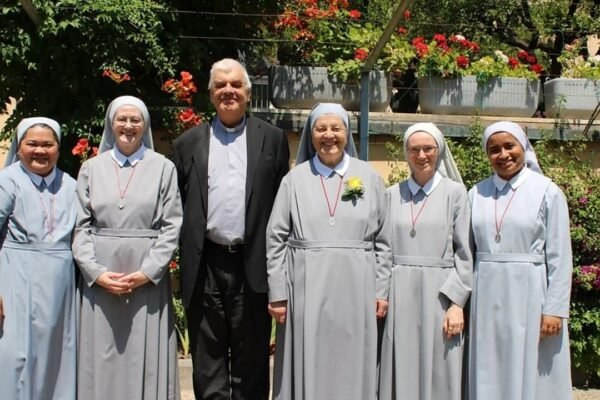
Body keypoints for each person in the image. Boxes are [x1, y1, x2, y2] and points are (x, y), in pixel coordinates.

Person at [172, 58, 290, 400]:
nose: (228, 91)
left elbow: (282, 203)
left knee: (251, 359)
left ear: (248, 94)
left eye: (236, 85)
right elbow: (177, 204)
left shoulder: (272, 139)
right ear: (210, 94)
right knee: (207, 360)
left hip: (252, 263)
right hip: (205, 261)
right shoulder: (187, 143)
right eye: (221, 86)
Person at [267, 103, 392, 400]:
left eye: (336, 128)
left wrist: (381, 290)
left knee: (351, 358)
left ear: (346, 133)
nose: (328, 136)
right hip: (305, 287)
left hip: (357, 287)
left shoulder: (369, 177)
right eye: (320, 129)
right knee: (309, 354)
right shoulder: (293, 180)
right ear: (311, 136)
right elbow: (276, 239)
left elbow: (384, 241)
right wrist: (278, 293)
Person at [73, 95, 183, 400]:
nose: (128, 126)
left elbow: (172, 225)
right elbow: (79, 227)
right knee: (101, 356)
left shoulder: (163, 168)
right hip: (100, 279)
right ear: (111, 123)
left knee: (143, 358)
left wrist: (148, 272)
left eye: (136, 120)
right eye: (122, 119)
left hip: (145, 278)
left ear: (144, 125)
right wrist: (95, 272)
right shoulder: (90, 168)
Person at [468, 121, 572, 400]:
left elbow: (560, 256)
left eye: (509, 146)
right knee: (490, 365)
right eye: (494, 149)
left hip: (530, 293)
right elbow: (466, 251)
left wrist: (555, 309)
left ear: (523, 146)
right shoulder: (476, 193)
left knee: (532, 369)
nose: (503, 154)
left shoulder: (547, 191)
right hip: (487, 294)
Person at [378, 123, 472, 400]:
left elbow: (465, 254)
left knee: (441, 368)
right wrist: (381, 294)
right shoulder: (391, 194)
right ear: (406, 153)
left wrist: (457, 304)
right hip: (399, 293)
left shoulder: (455, 194)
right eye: (414, 149)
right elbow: (382, 249)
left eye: (428, 149)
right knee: (400, 364)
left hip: (440, 294)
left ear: (439, 151)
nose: (421, 156)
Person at [0, 117, 77, 399]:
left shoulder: (70, 184)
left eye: (48, 144)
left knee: (57, 355)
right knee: (16, 357)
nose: (40, 151)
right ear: (19, 148)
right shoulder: (7, 182)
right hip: (17, 277)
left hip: (61, 285)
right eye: (32, 144)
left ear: (58, 148)